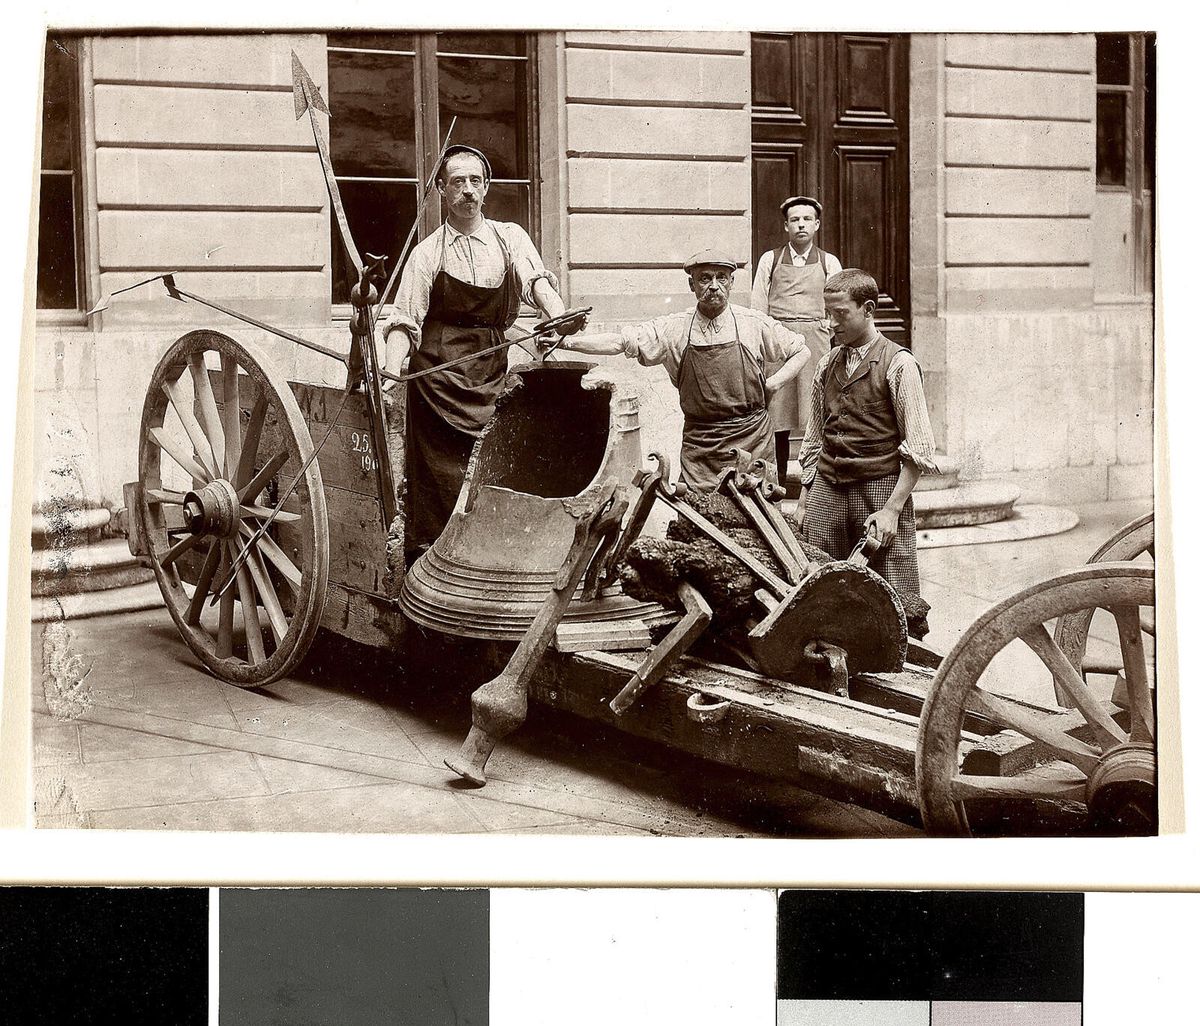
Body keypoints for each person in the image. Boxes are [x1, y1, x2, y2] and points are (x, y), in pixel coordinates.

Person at [378, 144, 572, 564]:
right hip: (437, 378)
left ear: (486, 188)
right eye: (457, 182)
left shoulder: (510, 237)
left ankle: (494, 560)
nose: (467, 190)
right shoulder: (427, 252)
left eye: (475, 181)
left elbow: (535, 282)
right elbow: (404, 320)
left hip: (493, 367)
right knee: (439, 481)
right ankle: (433, 563)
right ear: (442, 191)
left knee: (500, 463)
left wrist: (557, 315)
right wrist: (391, 371)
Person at [555, 250, 809, 491]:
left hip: (752, 440)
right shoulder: (674, 328)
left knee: (757, 523)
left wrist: (774, 383)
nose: (713, 285)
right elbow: (621, 342)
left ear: (731, 283)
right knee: (695, 523)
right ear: (692, 285)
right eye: (704, 279)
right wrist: (567, 342)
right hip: (700, 448)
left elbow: (801, 351)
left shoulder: (753, 323)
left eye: (721, 278)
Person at [797, 269, 938, 638]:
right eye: (827, 313)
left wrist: (892, 509)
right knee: (815, 579)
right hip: (829, 483)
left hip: (879, 488)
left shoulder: (899, 364)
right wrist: (805, 496)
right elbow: (814, 437)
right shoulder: (827, 364)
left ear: (869, 309)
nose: (830, 324)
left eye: (840, 314)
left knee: (890, 589)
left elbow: (919, 448)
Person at [750, 196, 842, 486]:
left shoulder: (829, 262)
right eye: (794, 220)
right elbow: (757, 309)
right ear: (786, 225)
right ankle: (774, 484)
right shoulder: (770, 259)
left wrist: (827, 326)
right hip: (779, 347)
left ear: (816, 225)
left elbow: (840, 303)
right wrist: (763, 346)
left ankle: (819, 484)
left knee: (819, 413)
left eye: (806, 219)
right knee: (777, 417)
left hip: (815, 344)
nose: (800, 224)